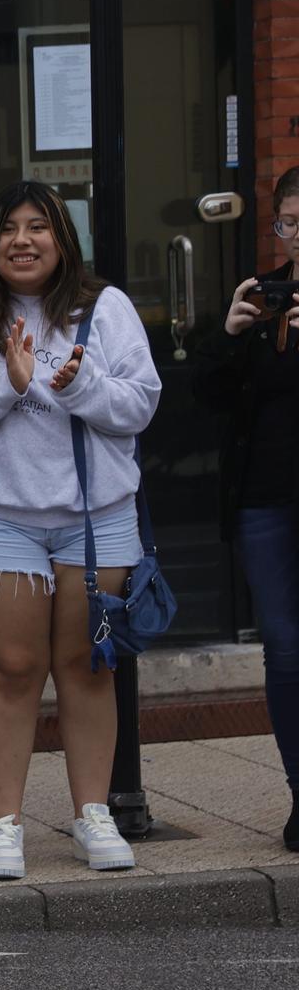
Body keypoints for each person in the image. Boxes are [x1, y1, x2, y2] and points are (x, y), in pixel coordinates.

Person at [0, 182, 160, 879]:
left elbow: (141, 402)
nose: (22, 241)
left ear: (62, 239)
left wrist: (78, 385)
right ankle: (3, 824)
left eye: (38, 227)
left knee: (85, 667)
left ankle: (93, 813)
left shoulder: (105, 308)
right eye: (8, 229)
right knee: (15, 668)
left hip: (95, 518)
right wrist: (9, 384)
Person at [197, 175, 299, 851]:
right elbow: (208, 396)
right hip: (265, 496)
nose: (297, 233)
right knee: (286, 649)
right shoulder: (262, 296)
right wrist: (232, 335)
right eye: (290, 221)